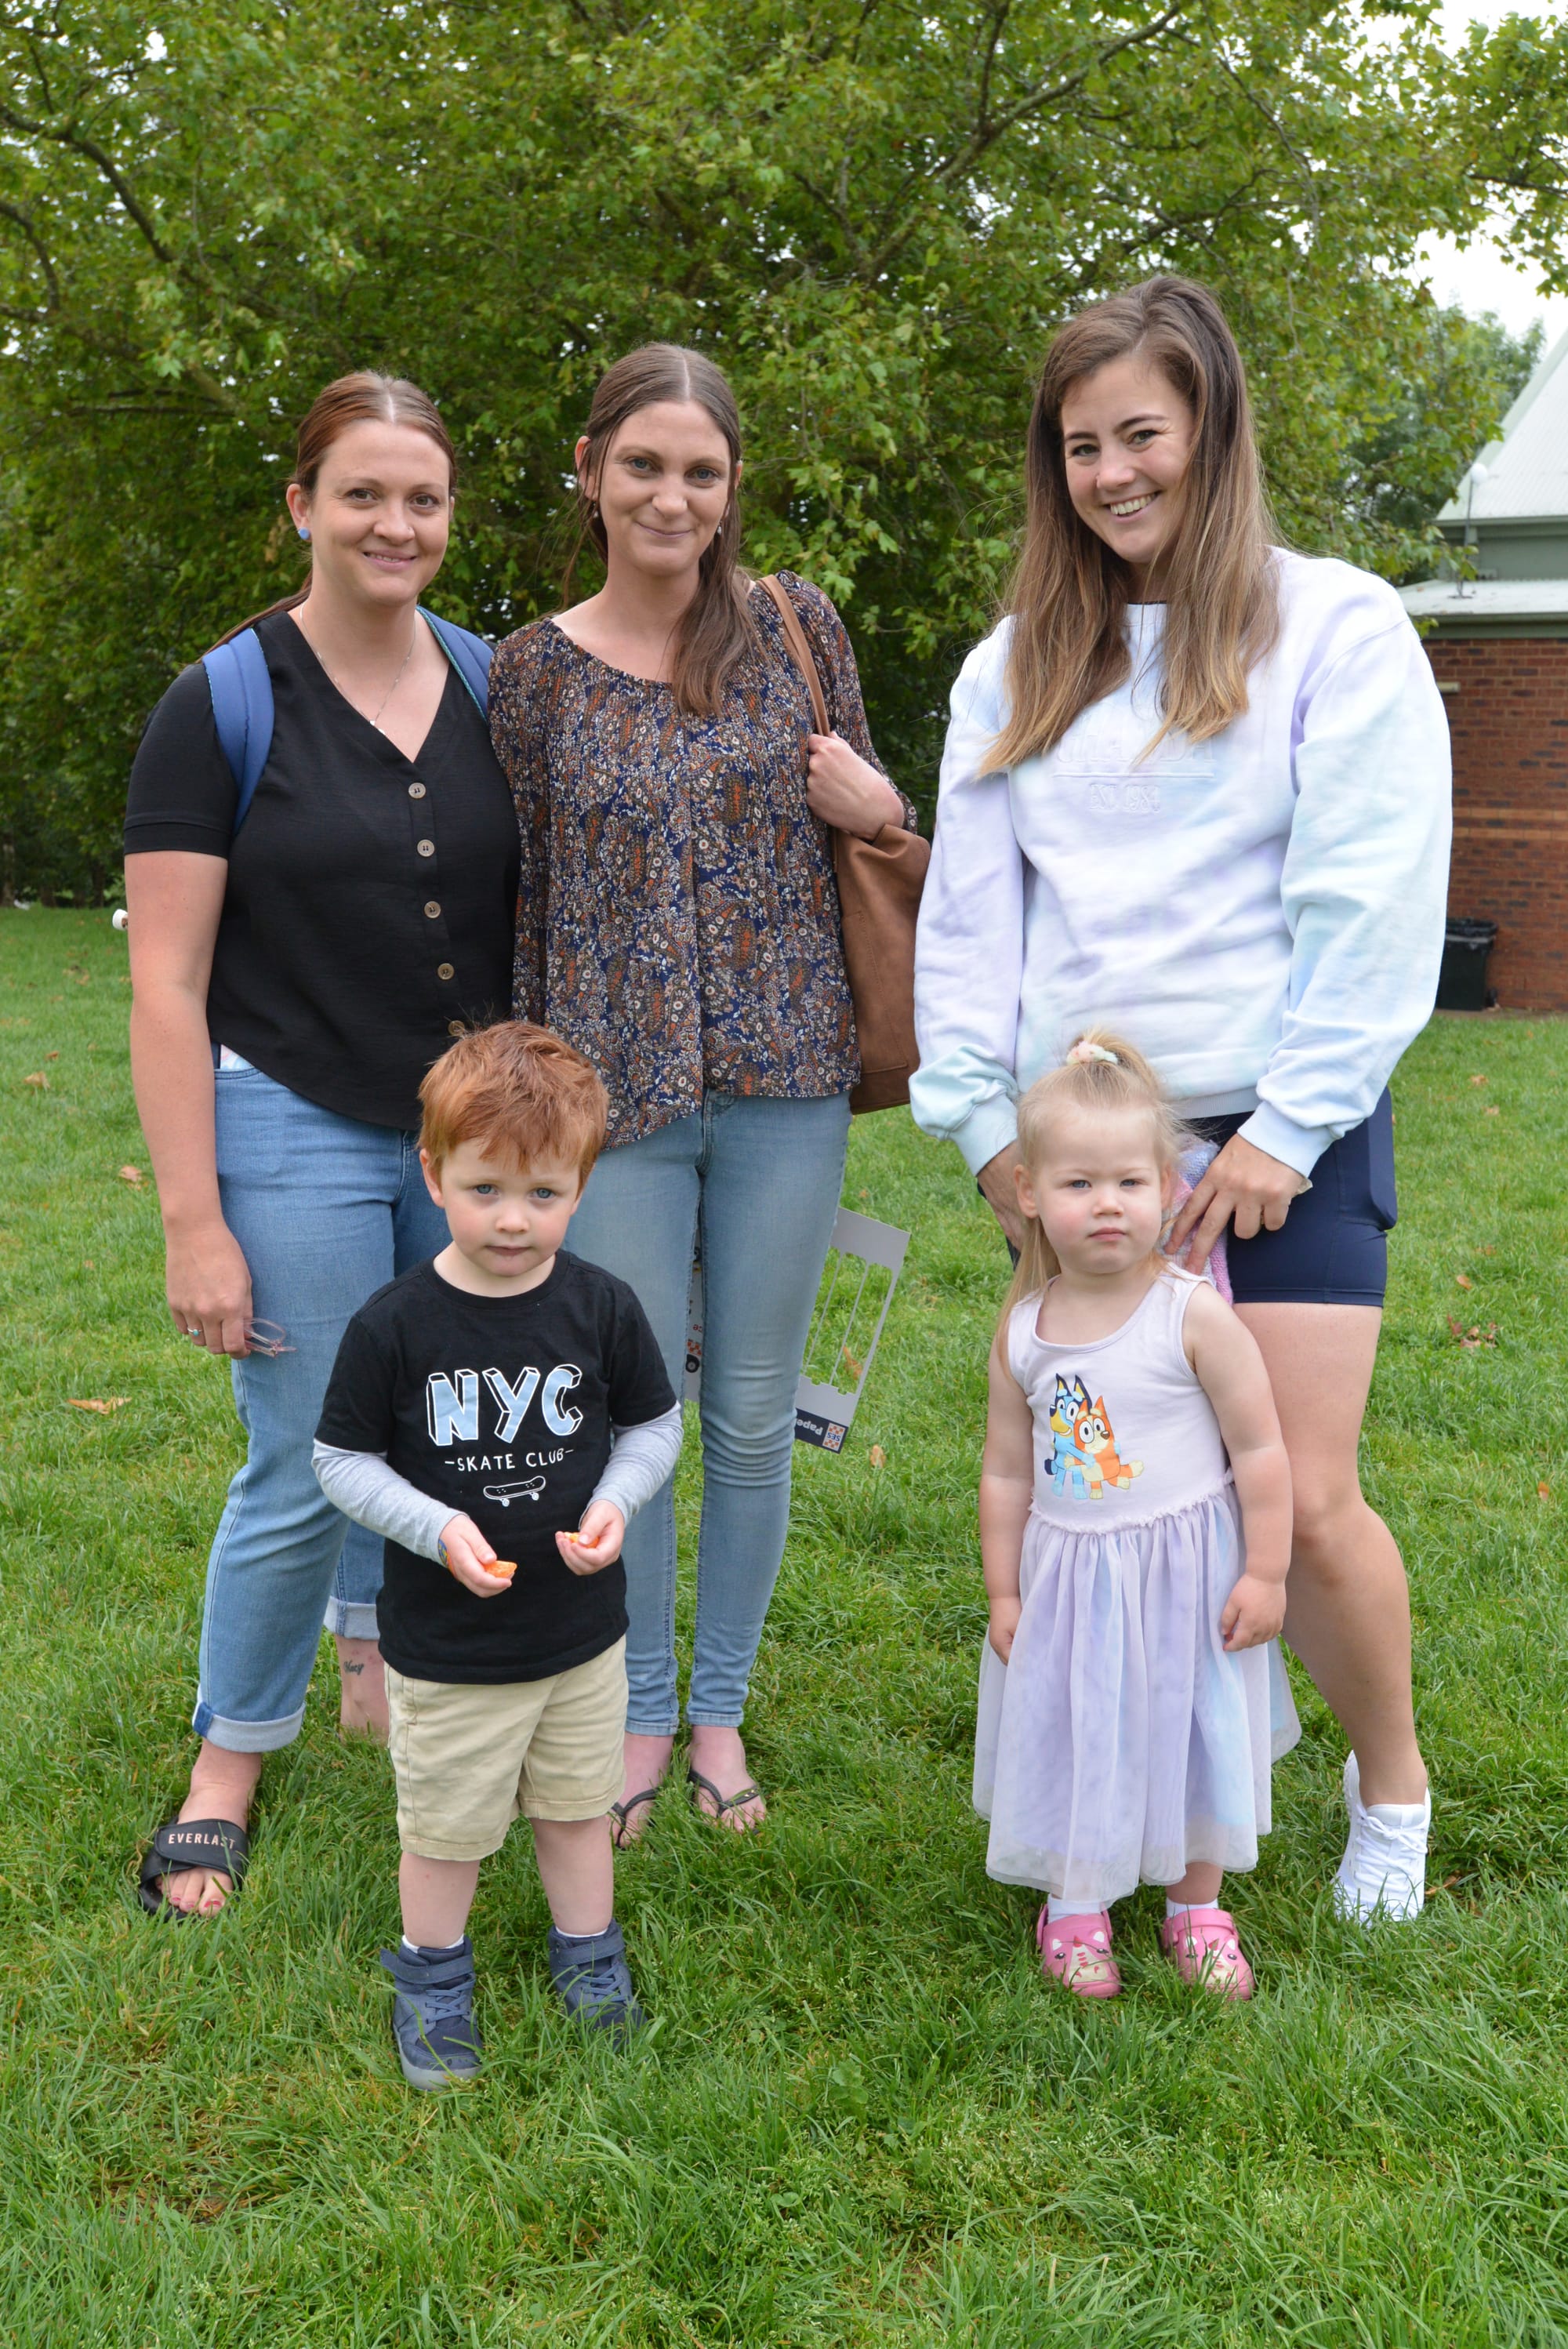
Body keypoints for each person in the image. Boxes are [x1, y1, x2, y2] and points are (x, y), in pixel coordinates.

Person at [913, 276, 1451, 1922]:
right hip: (1083, 1163)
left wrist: (1292, 1126)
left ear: (1209, 427)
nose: (1111, 472)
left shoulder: (1336, 625)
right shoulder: (1015, 666)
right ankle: (1125, 1805)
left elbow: (1369, 890)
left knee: (1299, 1486)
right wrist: (985, 1131)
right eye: (1079, 445)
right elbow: (969, 911)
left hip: (1277, 1141)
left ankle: (1389, 1787)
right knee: (1101, 1500)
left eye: (1139, 432)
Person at [488, 343, 920, 1839]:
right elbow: (524, 895)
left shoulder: (796, 627)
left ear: (733, 488)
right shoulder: (532, 670)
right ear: (593, 471)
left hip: (791, 1078)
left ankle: (719, 1710)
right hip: (617, 1100)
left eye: (704, 470)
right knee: (633, 1422)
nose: (674, 496)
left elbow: (869, 828)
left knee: (746, 1412)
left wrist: (889, 804)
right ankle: (637, 1715)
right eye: (646, 465)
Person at [126, 372, 521, 1917]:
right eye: (361, 492)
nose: (393, 522)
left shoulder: (499, 683)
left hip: (469, 1143)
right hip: (285, 1119)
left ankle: (381, 1646)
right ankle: (229, 1758)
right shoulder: (221, 701)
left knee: (444, 1428)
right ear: (302, 505)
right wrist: (191, 1217)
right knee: (302, 1456)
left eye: (421, 498)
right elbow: (163, 982)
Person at [313, 1022, 683, 2085]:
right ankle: (433, 1979)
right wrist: (438, 1527)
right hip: (450, 1649)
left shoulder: (600, 1308)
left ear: (582, 1184)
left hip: (579, 1638)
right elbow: (340, 1461)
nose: (513, 1221)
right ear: (432, 1175)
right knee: (447, 1830)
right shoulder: (396, 1326)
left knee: (577, 1809)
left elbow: (653, 1428)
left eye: (542, 1194)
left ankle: (590, 1960)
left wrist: (617, 1501)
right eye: (483, 1190)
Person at [977, 1034, 1299, 1999]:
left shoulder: (1191, 1313)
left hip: (1189, 1575)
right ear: (1029, 1193)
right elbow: (1003, 1472)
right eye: (1078, 1183)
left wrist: (1267, 1571)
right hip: (1072, 1578)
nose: (1105, 1203)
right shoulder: (1025, 1330)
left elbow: (1260, 1449)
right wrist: (1003, 1586)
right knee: (1081, 1727)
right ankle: (1074, 1901)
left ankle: (1193, 1902)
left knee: (1190, 1725)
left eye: (1127, 1180)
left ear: (1167, 1185)